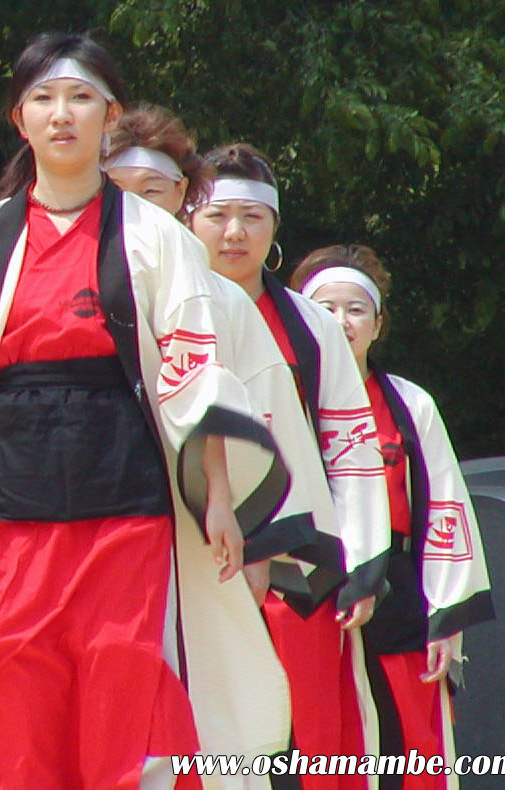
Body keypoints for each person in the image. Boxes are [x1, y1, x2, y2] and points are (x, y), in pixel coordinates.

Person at [0, 32, 292, 789]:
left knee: (118, 675)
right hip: (6, 502)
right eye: (43, 98)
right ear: (18, 118)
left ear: (110, 113)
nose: (62, 114)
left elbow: (195, 375)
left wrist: (219, 497)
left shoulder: (159, 239)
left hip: (124, 500)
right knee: (7, 676)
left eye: (81, 97)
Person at [191, 144, 390, 789]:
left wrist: (360, 559)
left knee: (307, 740)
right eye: (219, 214)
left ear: (274, 230)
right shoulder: (167, 312)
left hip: (295, 563)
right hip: (189, 554)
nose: (235, 232)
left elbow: (350, 447)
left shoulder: (312, 326)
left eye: (253, 216)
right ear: (191, 218)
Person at [106, 106, 335, 608]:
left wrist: (258, 538)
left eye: (151, 190)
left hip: (195, 520)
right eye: (118, 189)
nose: (135, 207)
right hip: (87, 509)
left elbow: (266, 418)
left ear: (181, 197)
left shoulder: (225, 301)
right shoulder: (51, 280)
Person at [293, 245, 494, 790]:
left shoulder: (410, 404)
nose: (340, 321)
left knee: (407, 752)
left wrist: (446, 617)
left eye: (356, 308)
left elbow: (445, 506)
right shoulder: (282, 399)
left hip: (397, 597)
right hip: (304, 595)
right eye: (324, 307)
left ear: (379, 323)